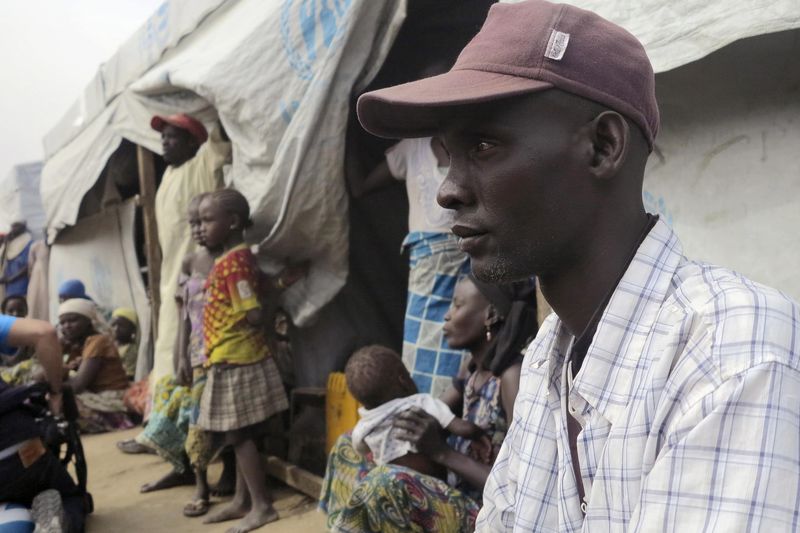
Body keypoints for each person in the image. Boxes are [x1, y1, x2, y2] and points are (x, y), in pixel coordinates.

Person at [356, 0, 800, 530]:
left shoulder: (733, 351)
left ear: (602, 145)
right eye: (448, 155)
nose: (448, 190)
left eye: (483, 144)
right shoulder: (549, 354)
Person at [320, 276, 536, 532]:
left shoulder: (511, 377)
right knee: (347, 446)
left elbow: (520, 486)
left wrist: (442, 453)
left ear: (489, 314)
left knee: (386, 482)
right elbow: (428, 413)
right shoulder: (472, 371)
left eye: (457, 305)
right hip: (453, 490)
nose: (446, 316)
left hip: (485, 512)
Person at [196, 189, 289, 533]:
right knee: (241, 433)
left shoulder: (233, 263)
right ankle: (242, 501)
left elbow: (250, 314)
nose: (201, 227)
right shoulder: (237, 259)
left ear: (233, 222)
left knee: (238, 434)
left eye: (207, 220)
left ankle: (262, 506)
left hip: (237, 357)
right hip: (231, 355)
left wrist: (266, 302)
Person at [349, 133, 469, 396]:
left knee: (469, 355)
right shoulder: (411, 148)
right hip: (426, 280)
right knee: (421, 361)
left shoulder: (471, 141)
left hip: (472, 276)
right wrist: (343, 139)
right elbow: (360, 187)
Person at [151, 113, 231, 383]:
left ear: (192, 143)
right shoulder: (167, 178)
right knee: (169, 337)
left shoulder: (200, 166)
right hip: (171, 274)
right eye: (163, 137)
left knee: (187, 337)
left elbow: (219, 140)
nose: (165, 142)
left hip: (198, 275)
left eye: (172, 137)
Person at [0, 315, 87, 533]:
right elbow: (44, 332)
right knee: (67, 495)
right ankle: (58, 515)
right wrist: (56, 393)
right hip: (17, 452)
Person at [345, 345, 488, 477]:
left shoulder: (363, 426)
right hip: (431, 483)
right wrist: (480, 435)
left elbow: (360, 449)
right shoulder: (420, 402)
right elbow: (462, 427)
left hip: (391, 481)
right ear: (403, 380)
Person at [58, 299, 132, 434]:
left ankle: (114, 420)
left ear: (88, 321)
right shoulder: (76, 344)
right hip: (97, 395)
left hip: (112, 397)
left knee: (62, 400)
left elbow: (78, 385)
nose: (67, 326)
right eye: (62, 323)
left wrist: (51, 385)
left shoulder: (98, 341)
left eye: (73, 320)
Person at [0, 222, 33, 299]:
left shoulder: (28, 243)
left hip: (21, 286)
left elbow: (28, 266)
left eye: (15, 227)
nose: (12, 229)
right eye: (12, 227)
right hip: (9, 288)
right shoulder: (9, 244)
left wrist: (10, 278)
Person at [0, 296, 32, 366]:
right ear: (3, 313)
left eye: (20, 310)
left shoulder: (32, 334)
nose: (16, 314)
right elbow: (11, 362)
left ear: (26, 312)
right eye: (10, 311)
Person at [110, 308, 138, 379]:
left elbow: (129, 375)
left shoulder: (130, 349)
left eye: (122, 326)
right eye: (113, 325)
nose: (116, 329)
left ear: (132, 329)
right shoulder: (109, 344)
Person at [26, 240, 49, 322]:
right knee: (35, 300)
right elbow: (30, 264)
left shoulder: (53, 245)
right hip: (37, 276)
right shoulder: (36, 245)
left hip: (49, 275)